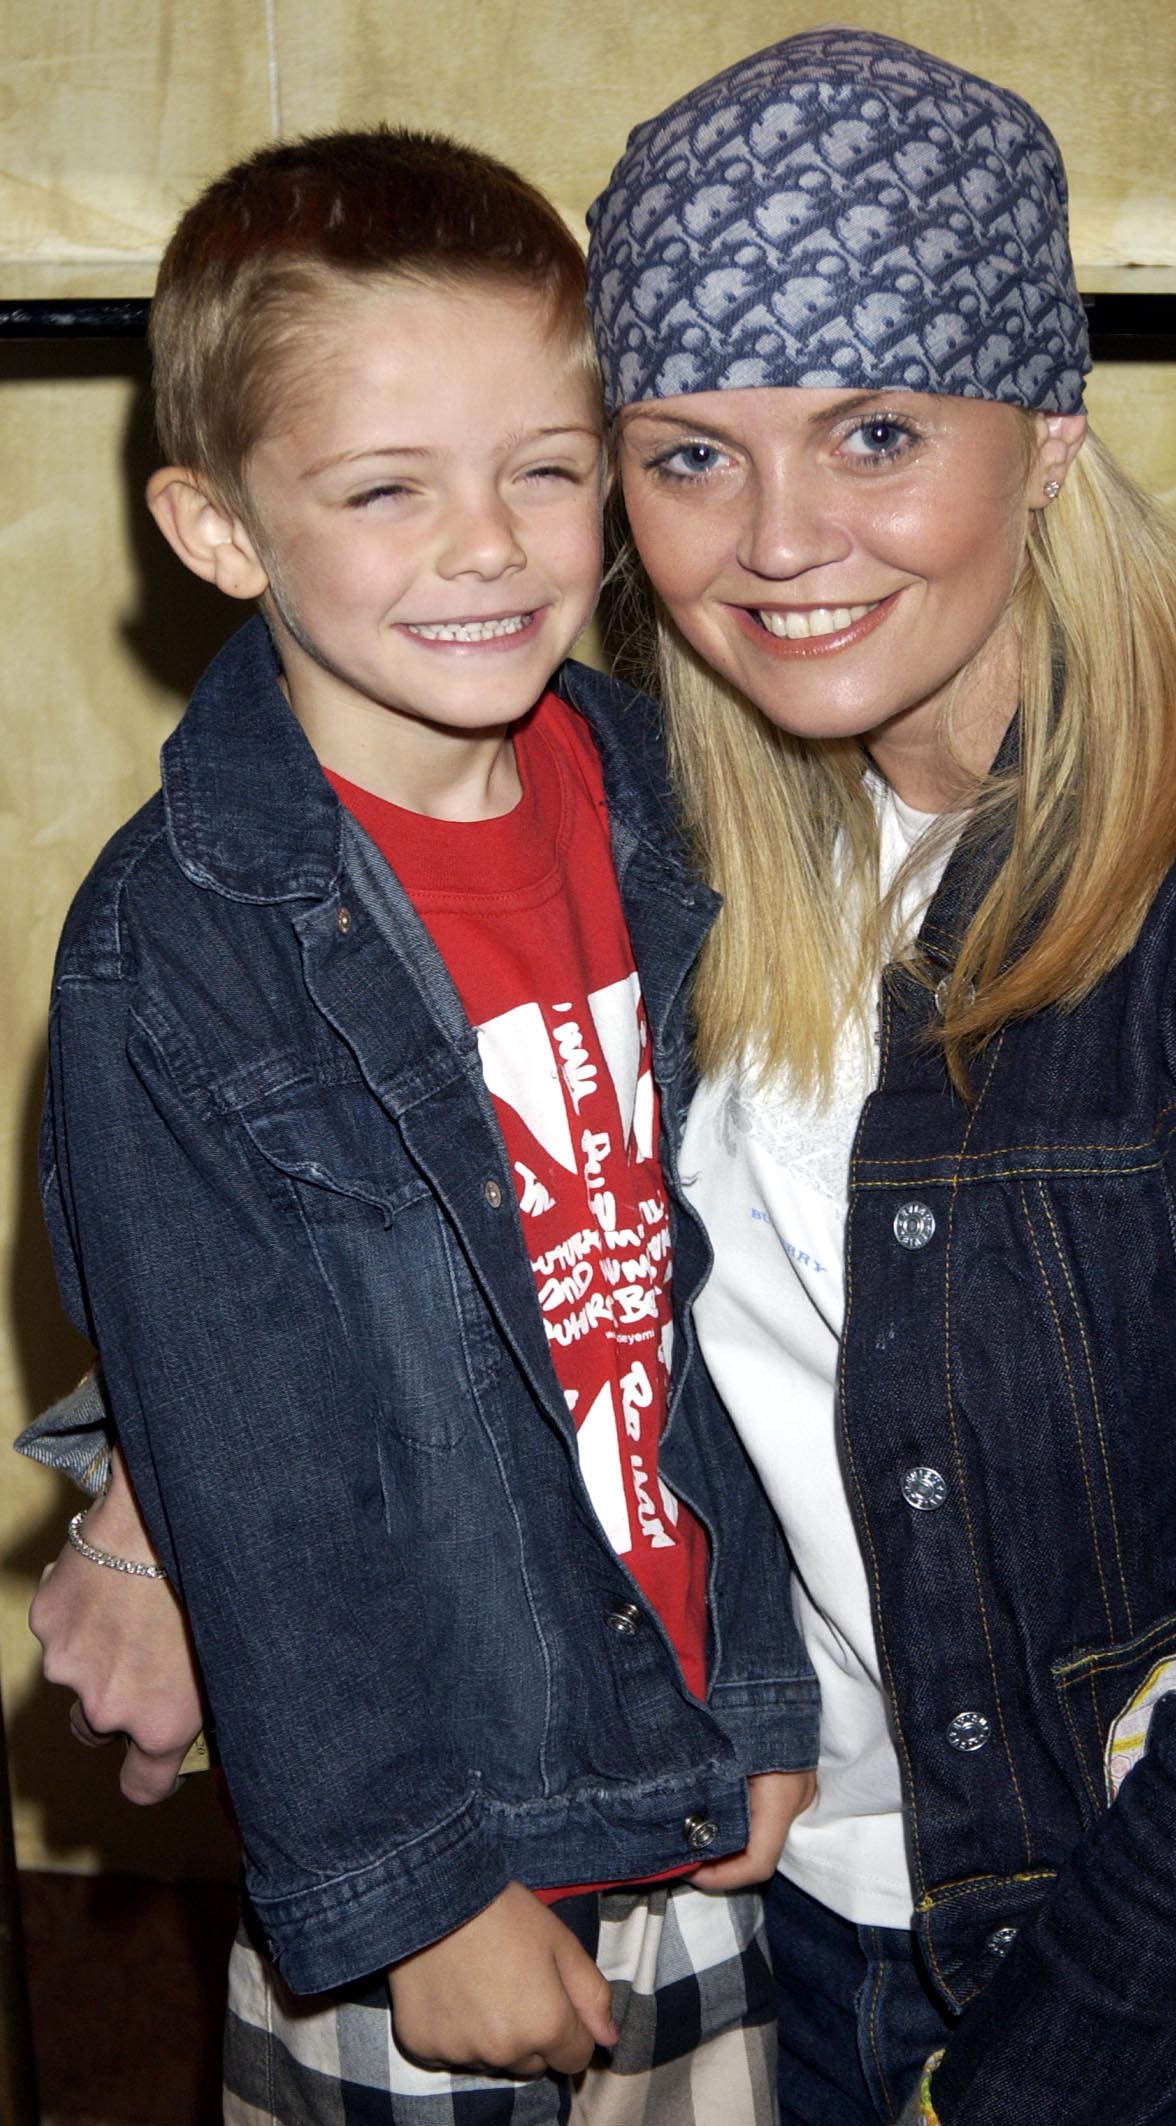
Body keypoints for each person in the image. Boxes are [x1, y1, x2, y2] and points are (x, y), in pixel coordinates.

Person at [582, 28, 1176, 2125]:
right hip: (801, 1930)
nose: (775, 541)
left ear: (1040, 433)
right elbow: (333, 1004)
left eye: (869, 431)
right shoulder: (665, 828)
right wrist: (141, 1488)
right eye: (687, 453)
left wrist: (1005, 2092)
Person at [22, 125, 817, 2125]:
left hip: (690, 1772)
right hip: (442, 1838)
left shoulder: (651, 792)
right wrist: (415, 1892)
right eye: (386, 492)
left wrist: (767, 1694)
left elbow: (702, 1290)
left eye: (546, 470)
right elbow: (257, 1474)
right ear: (219, 531)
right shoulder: (177, 947)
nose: (489, 546)